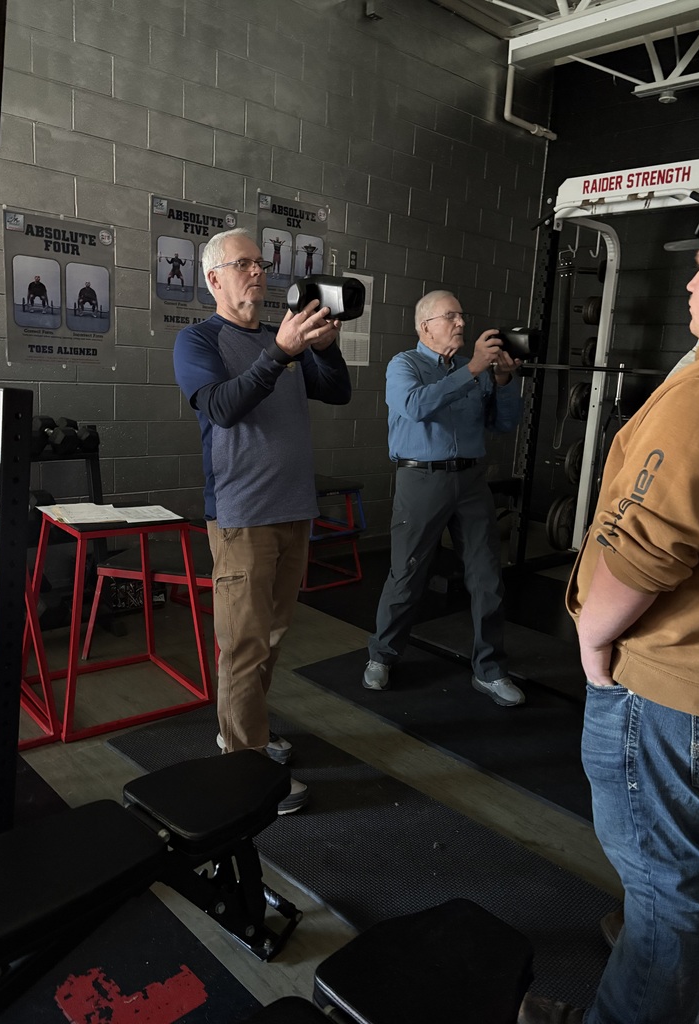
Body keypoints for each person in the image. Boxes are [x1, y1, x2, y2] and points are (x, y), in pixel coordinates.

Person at [520, 186, 699, 1024]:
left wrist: (591, 640)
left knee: (663, 896)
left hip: (679, 694)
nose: (691, 285)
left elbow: (646, 543)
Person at [173, 228, 352, 815]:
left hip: (293, 509)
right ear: (213, 279)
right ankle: (244, 767)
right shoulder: (197, 341)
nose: (258, 272)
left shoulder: (288, 340)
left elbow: (340, 393)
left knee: (271, 639)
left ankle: (243, 733)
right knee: (243, 646)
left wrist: (321, 346)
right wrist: (280, 352)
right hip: (242, 517)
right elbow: (222, 409)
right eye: (242, 263)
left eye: (260, 263)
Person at [364, 290, 525, 706]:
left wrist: (503, 381)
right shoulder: (404, 365)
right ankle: (383, 655)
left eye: (461, 315)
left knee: (487, 576)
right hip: (422, 480)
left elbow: (504, 424)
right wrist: (473, 368)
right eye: (450, 316)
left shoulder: (475, 372)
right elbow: (416, 406)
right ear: (425, 327)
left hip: (471, 481)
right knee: (407, 573)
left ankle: (490, 671)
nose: (460, 323)